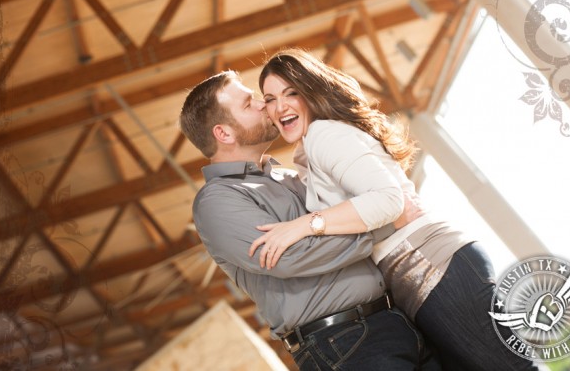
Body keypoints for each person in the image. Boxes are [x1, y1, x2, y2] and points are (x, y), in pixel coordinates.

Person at [251, 48, 539, 371]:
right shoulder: (311, 151)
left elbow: (389, 201)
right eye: (270, 99)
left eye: (291, 92)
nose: (280, 107)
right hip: (418, 277)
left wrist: (306, 224)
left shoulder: (323, 133)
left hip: (431, 266)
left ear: (312, 91)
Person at [178, 70, 441, 370]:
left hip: (393, 318)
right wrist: (380, 225)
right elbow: (289, 256)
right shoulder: (217, 202)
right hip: (343, 343)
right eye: (249, 103)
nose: (265, 105)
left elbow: (345, 215)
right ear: (224, 133)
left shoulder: (288, 176)